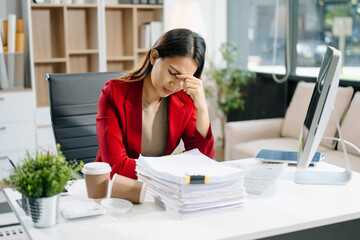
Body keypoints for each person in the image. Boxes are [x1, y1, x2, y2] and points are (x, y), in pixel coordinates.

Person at [95, 28, 214, 179]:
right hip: (114, 188)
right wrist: (175, 166)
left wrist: (202, 108)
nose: (175, 85)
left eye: (184, 79)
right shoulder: (113, 93)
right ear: (154, 56)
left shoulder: (185, 100)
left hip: (159, 188)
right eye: (172, 73)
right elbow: (117, 167)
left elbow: (202, 160)